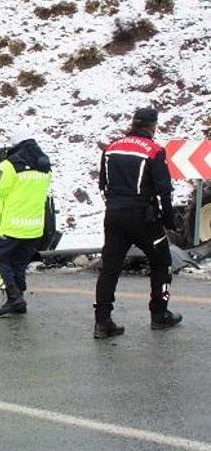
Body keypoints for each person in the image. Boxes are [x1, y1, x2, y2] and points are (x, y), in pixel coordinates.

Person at [94, 108, 181, 339]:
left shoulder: (111, 148)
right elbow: (164, 190)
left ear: (133, 123)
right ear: (152, 126)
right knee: (162, 262)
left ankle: (103, 322)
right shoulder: (154, 151)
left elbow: (102, 183)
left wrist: (113, 203)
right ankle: (159, 314)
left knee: (110, 268)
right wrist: (169, 219)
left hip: (113, 216)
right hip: (143, 218)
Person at [0, 127, 52, 316]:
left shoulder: (9, 164)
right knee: (18, 264)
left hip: (10, 226)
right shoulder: (44, 164)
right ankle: (18, 300)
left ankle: (13, 296)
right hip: (34, 227)